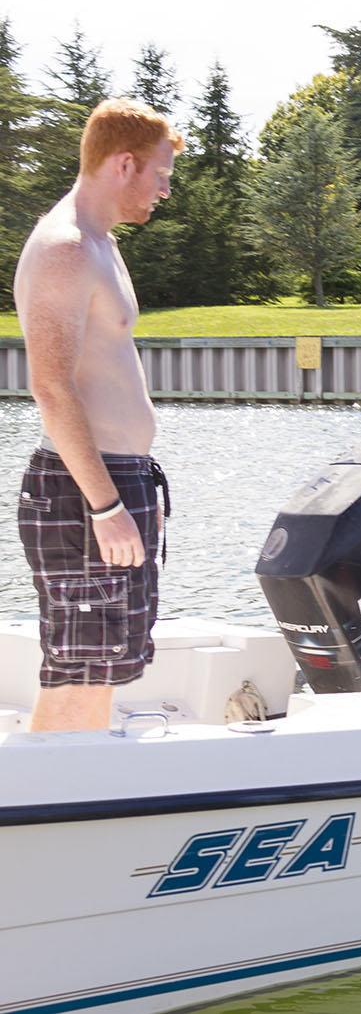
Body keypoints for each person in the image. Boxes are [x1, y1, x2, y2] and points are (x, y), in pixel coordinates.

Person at [14, 98, 181, 731]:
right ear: (124, 164)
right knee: (79, 678)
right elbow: (51, 388)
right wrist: (106, 506)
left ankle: (77, 783)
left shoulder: (100, 244)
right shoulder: (66, 248)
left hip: (112, 480)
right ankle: (44, 792)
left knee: (104, 670)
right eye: (160, 174)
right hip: (83, 492)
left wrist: (131, 490)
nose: (165, 189)